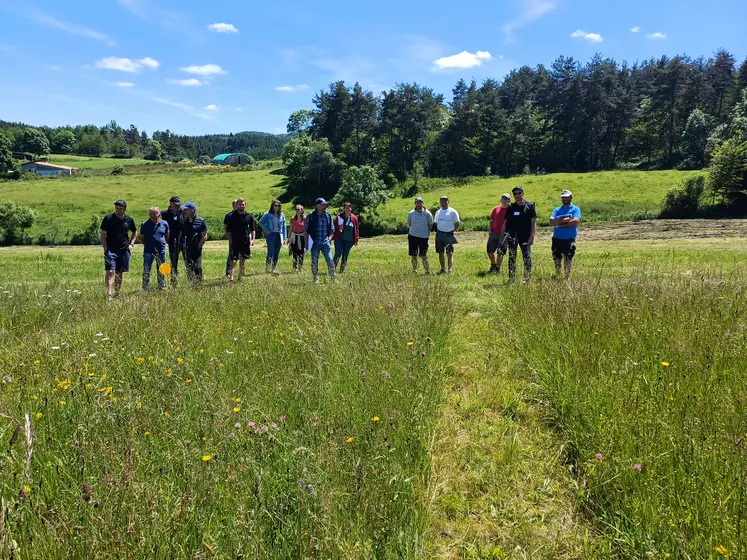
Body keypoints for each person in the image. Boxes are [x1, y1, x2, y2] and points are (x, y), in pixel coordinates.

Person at [100, 200, 137, 298]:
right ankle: (109, 294)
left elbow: (135, 232)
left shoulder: (129, 220)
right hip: (111, 250)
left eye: (120, 209)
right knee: (110, 271)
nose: (118, 210)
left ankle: (117, 293)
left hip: (124, 250)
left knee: (119, 272)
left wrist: (131, 244)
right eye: (117, 208)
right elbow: (103, 235)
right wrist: (105, 249)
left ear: (124, 209)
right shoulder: (108, 219)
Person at [501, 186, 536, 284]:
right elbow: (505, 222)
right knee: (512, 257)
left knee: (527, 256)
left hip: (525, 235)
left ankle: (527, 279)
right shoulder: (511, 207)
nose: (517, 195)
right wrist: (503, 236)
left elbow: (533, 221)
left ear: (523, 193)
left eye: (519, 193)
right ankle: (512, 279)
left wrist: (532, 235)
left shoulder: (530, 205)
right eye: (515, 194)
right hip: (512, 236)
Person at [550, 189, 581, 280]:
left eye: (567, 197)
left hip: (569, 239)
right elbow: (551, 220)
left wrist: (559, 223)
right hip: (557, 238)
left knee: (568, 258)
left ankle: (566, 277)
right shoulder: (557, 209)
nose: (565, 199)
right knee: (557, 258)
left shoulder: (575, 209)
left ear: (571, 197)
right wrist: (566, 221)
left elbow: (575, 221)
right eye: (563, 198)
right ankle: (558, 275)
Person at [304, 198, 337, 284]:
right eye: (323, 204)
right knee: (314, 261)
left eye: (325, 204)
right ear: (317, 205)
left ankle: (333, 277)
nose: (324, 206)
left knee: (330, 260)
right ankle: (315, 278)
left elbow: (332, 230)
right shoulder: (310, 216)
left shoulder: (328, 215)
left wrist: (329, 239)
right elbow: (306, 231)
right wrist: (306, 245)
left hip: (325, 242)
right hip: (314, 243)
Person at [225, 197, 255, 282]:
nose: (241, 206)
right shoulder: (231, 216)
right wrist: (230, 240)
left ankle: (240, 275)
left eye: (243, 204)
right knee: (233, 259)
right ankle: (231, 277)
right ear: (237, 205)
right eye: (239, 204)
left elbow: (253, 229)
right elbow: (228, 230)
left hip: (245, 240)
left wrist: (253, 239)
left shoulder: (249, 216)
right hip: (235, 240)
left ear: (245, 205)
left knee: (243, 258)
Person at [140, 206, 170, 291]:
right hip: (148, 251)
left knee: (161, 269)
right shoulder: (144, 224)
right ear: (149, 214)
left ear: (159, 214)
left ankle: (162, 286)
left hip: (161, 250)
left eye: (155, 213)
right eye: (151, 214)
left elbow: (167, 235)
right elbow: (142, 237)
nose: (153, 215)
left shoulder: (164, 223)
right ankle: (145, 287)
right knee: (146, 269)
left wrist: (161, 242)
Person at [179, 202, 208, 283]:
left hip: (196, 248)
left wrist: (198, 247)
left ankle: (199, 283)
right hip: (186, 248)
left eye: (186, 209)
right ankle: (191, 282)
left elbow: (204, 236)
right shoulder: (183, 221)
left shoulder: (201, 221)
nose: (184, 210)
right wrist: (180, 245)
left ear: (192, 210)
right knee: (188, 267)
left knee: (197, 267)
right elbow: (181, 233)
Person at [433, 195, 460, 275]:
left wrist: (452, 231)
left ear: (448, 201)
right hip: (439, 234)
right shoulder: (438, 212)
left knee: (449, 253)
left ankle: (450, 270)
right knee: (440, 252)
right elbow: (436, 222)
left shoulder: (453, 212)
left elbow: (457, 224)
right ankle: (443, 269)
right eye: (441, 201)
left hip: (449, 235)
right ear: (440, 202)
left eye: (445, 201)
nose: (443, 202)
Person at [258, 199, 287, 274]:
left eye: (278, 206)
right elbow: (260, 222)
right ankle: (267, 268)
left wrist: (285, 237)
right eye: (275, 205)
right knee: (271, 252)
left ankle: (273, 268)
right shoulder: (268, 214)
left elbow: (284, 227)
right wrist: (266, 230)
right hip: (271, 235)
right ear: (272, 206)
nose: (277, 207)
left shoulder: (282, 215)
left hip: (279, 235)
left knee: (277, 252)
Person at [407, 196, 433, 274]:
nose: (419, 204)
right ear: (415, 204)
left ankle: (427, 270)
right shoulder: (411, 213)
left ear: (422, 203)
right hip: (413, 236)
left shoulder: (428, 213)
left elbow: (430, 225)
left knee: (423, 255)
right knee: (413, 255)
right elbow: (409, 223)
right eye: (417, 202)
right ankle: (415, 270)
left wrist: (425, 232)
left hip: (423, 237)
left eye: (420, 202)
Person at [487, 194, 511, 274]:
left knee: (500, 252)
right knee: (489, 251)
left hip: (504, 235)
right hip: (494, 233)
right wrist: (490, 231)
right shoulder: (496, 209)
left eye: (506, 199)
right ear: (500, 200)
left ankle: (497, 268)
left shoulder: (510, 210)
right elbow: (491, 221)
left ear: (509, 201)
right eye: (503, 199)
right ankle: (493, 264)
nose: (504, 201)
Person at [161, 196, 182, 286]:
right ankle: (174, 281)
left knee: (188, 261)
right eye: (176, 205)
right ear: (171, 204)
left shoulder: (182, 212)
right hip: (171, 240)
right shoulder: (164, 214)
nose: (178, 207)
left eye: (179, 205)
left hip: (183, 239)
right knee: (173, 262)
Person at [333, 202, 359, 273]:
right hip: (339, 238)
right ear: (344, 209)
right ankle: (332, 269)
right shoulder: (340, 216)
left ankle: (342, 270)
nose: (347, 209)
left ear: (351, 208)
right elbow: (333, 226)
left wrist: (356, 239)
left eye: (348, 207)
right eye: (346, 208)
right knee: (338, 253)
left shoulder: (354, 218)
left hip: (349, 240)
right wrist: (339, 227)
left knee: (345, 255)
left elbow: (356, 229)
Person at [288, 204, 306, 273]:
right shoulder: (293, 218)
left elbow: (306, 229)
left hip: (302, 237)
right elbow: (291, 229)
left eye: (298, 209)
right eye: (296, 209)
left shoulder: (305, 218)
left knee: (301, 253)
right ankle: (294, 268)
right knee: (294, 253)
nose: (297, 211)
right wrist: (288, 238)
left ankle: (300, 268)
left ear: (302, 210)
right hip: (294, 237)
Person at [224, 199, 238, 277]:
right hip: (232, 237)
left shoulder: (241, 214)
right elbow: (225, 227)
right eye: (237, 204)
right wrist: (227, 236)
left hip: (240, 237)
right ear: (233, 206)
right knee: (231, 254)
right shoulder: (228, 216)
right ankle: (228, 271)